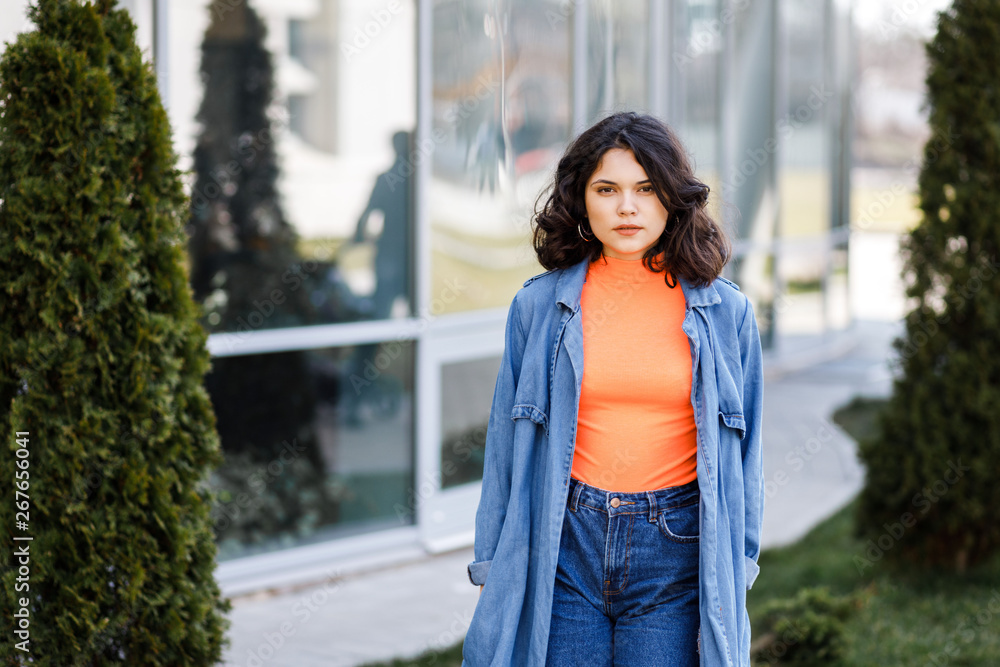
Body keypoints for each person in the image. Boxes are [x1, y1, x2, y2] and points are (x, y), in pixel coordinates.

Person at [461, 111, 764, 667]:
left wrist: (738, 566)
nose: (627, 207)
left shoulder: (727, 313)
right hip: (564, 543)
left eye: (646, 189)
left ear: (672, 198)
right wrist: (492, 566)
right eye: (608, 189)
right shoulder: (538, 307)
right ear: (582, 200)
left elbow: (746, 456)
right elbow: (504, 450)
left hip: (674, 549)